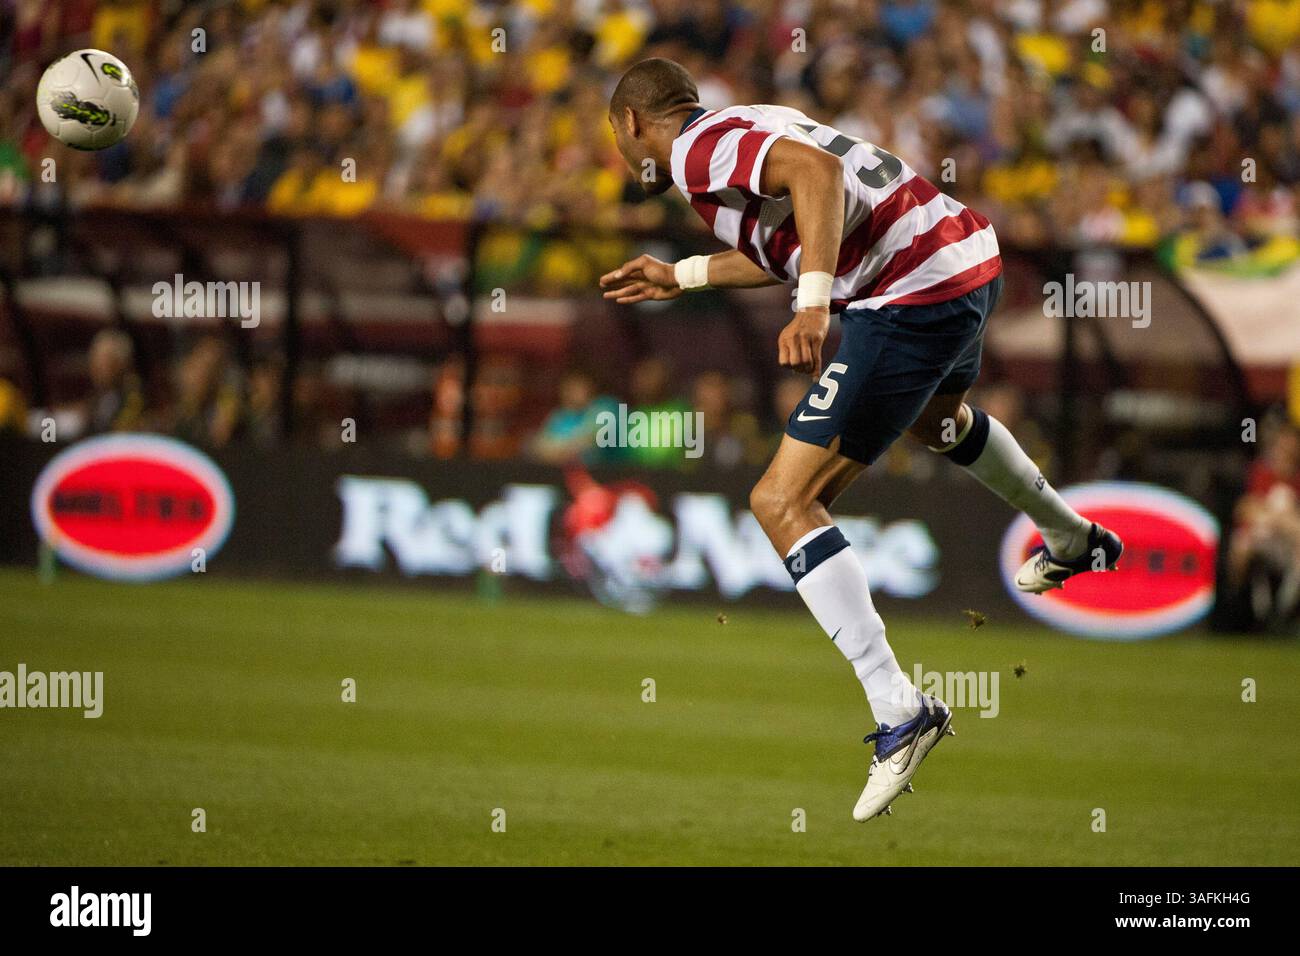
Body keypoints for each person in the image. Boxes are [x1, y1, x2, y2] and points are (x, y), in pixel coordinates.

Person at [598, 58, 1123, 821]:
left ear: (633, 124)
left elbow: (816, 177)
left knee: (782, 499)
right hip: (964, 260)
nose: (618, 149)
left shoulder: (694, 153)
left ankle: (899, 709)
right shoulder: (748, 121)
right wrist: (681, 276)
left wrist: (814, 308)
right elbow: (785, 239)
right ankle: (1068, 535)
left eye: (614, 135)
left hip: (908, 291)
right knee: (936, 421)